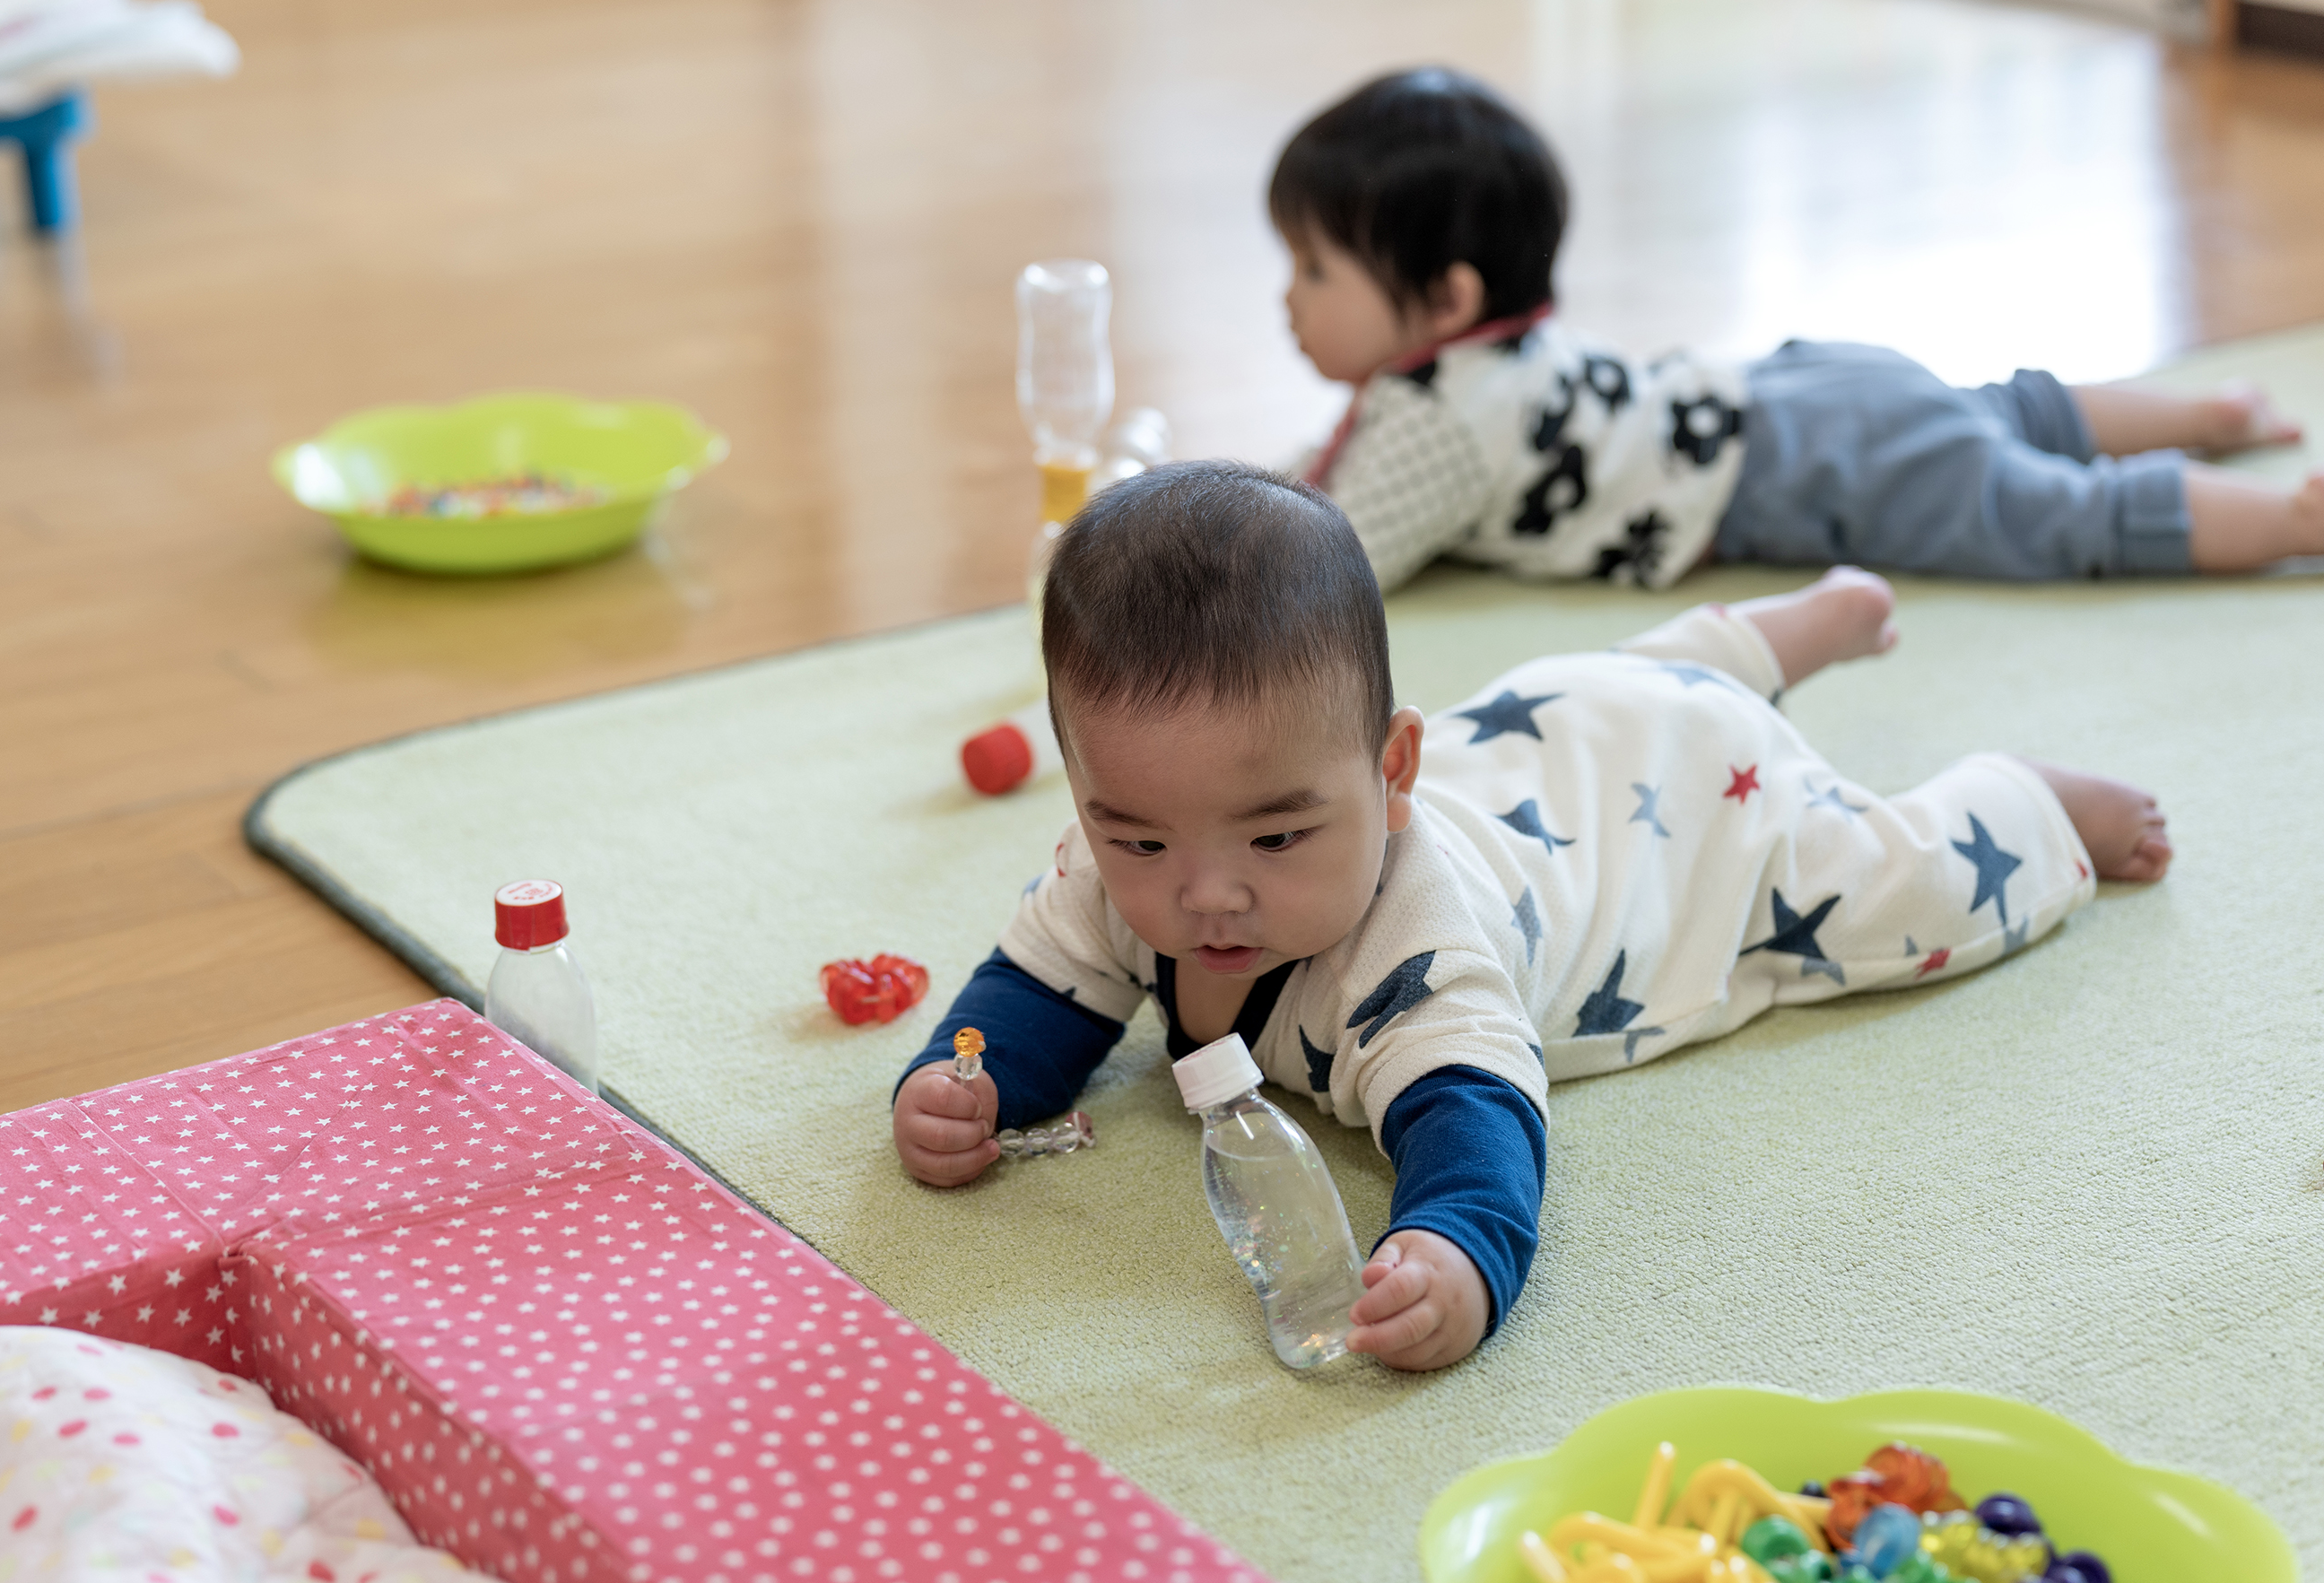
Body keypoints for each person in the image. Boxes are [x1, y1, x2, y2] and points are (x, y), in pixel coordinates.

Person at [892, 463, 2172, 1372]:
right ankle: (1772, 635)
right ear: (1092, 797)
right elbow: (1036, 986)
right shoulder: (1122, 859)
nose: (1204, 892)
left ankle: (2026, 804)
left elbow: (1478, 1129)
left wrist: (1455, 1250)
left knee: (1888, 898)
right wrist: (973, 1078)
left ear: (1393, 772)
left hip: (1697, 835)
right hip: (1565, 723)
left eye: (1279, 837)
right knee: (1617, 691)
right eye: (1138, 837)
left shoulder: (1414, 956)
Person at [1271, 66, 2320, 591]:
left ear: (1446, 300)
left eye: (1313, 269)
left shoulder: (1437, 423)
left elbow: (1329, 566)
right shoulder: (1489, 352)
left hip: (1799, 475)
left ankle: (2280, 525)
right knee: (2002, 409)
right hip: (1792, 390)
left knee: (2049, 516)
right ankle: (2207, 407)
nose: (1287, 298)